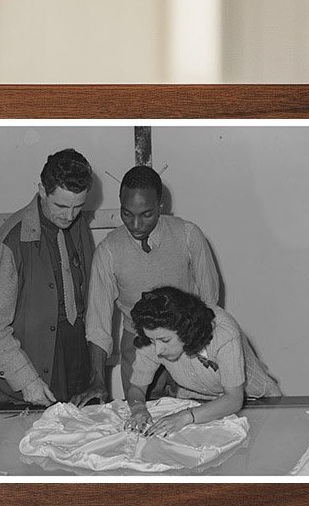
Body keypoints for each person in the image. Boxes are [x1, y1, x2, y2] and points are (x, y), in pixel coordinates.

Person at [75, 165, 219, 407]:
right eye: (127, 213)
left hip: (189, 342)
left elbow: (210, 302)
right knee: (142, 423)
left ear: (161, 206)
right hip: (138, 345)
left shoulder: (188, 235)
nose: (136, 224)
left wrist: (199, 355)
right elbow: (98, 324)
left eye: (147, 214)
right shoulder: (109, 251)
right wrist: (98, 379)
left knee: (193, 423)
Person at [0, 148, 95, 406]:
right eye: (61, 206)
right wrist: (26, 380)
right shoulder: (12, 240)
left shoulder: (78, 223)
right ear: (42, 190)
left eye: (78, 207)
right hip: (31, 367)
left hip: (75, 359)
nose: (69, 216)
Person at [123, 286, 281, 437]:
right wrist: (138, 408)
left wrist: (184, 417)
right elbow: (137, 387)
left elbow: (234, 399)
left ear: (185, 330)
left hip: (253, 400)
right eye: (152, 340)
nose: (158, 350)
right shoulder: (153, 335)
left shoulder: (223, 332)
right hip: (196, 403)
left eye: (165, 340)